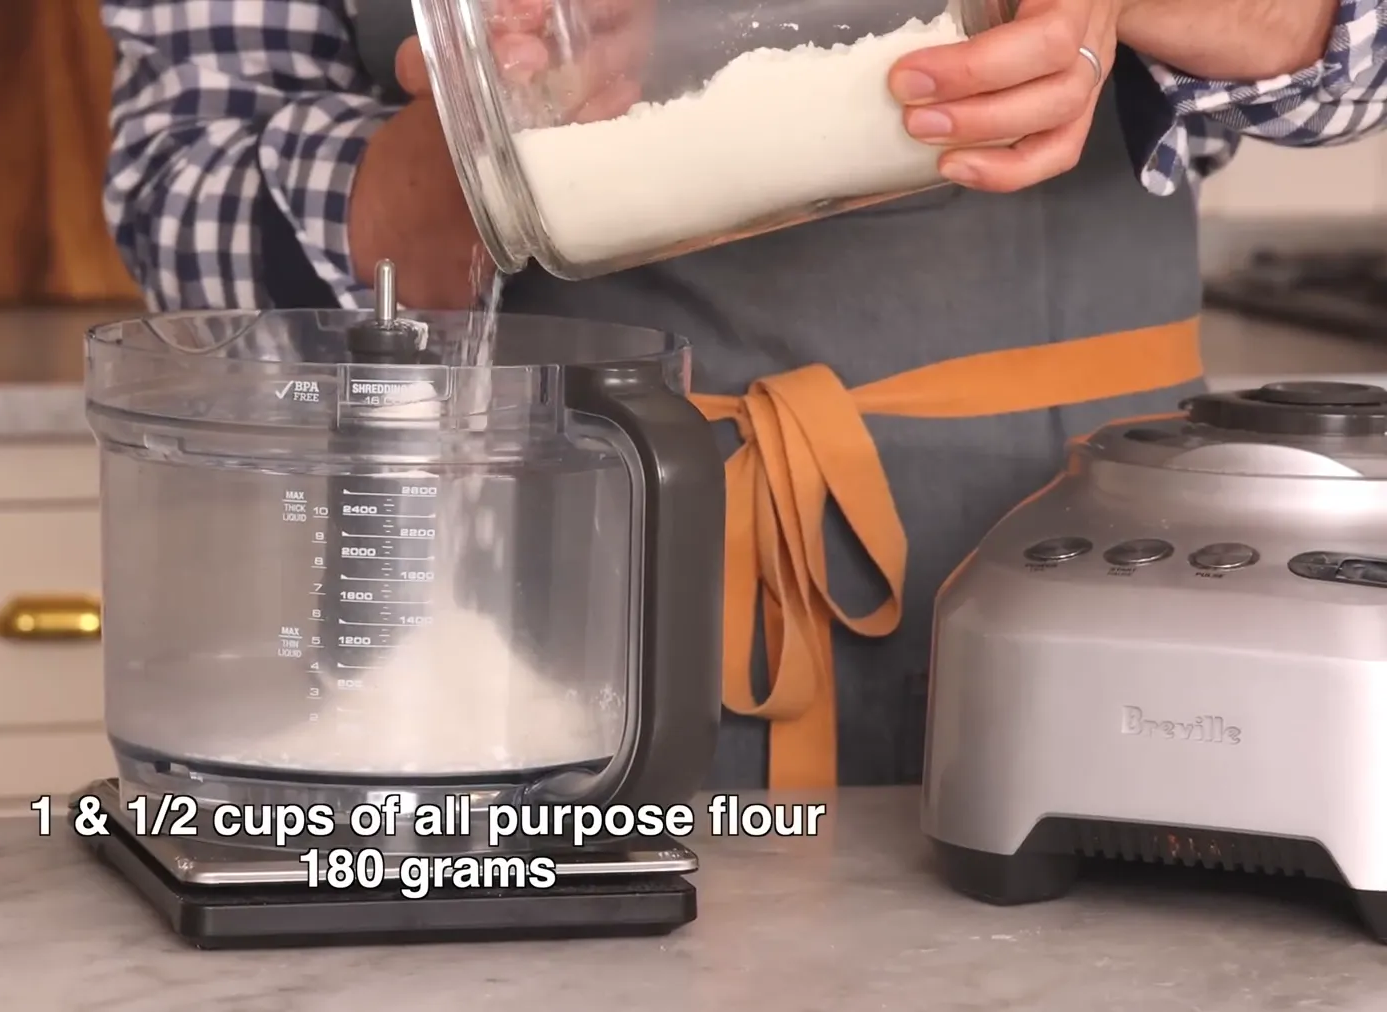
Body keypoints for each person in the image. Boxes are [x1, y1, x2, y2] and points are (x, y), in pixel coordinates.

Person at [99, 0, 1387, 790]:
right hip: (529, 598)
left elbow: (1353, 49)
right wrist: (487, 149)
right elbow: (179, 192)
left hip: (1086, 584)